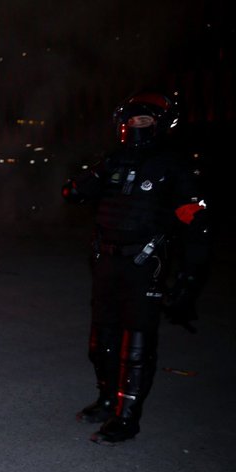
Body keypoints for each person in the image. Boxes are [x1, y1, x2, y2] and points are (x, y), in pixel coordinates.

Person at [61, 91, 209, 445]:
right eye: (132, 120)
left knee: (136, 346)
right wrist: (83, 179)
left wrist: (189, 278)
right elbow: (75, 192)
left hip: (146, 263)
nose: (137, 125)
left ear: (160, 125)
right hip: (107, 260)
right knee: (102, 341)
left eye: (145, 120)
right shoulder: (114, 159)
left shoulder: (174, 165)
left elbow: (196, 223)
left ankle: (128, 416)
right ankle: (107, 399)